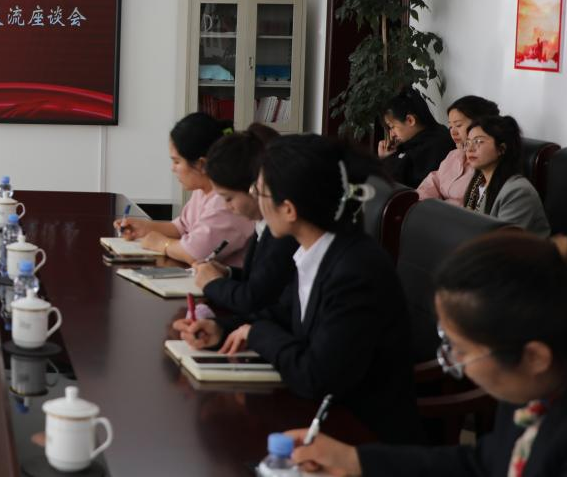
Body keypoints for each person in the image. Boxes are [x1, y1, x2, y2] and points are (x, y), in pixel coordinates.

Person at [173, 135, 422, 444]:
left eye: (259, 191)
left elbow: (315, 376)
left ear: (289, 209)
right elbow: (284, 312)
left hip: (362, 437)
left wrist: (256, 333)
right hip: (324, 418)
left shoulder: (355, 270)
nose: (253, 196)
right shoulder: (320, 249)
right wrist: (222, 329)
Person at [287, 232, 567, 476]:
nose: (452, 363)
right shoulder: (530, 389)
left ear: (535, 358)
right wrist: (355, 460)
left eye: (461, 350)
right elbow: (482, 463)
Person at [115, 113, 253, 266]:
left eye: (177, 161)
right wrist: (145, 228)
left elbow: (195, 253)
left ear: (201, 165)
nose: (173, 169)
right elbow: (181, 227)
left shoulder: (226, 201)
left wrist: (163, 244)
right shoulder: (202, 191)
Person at [190, 124, 299, 317]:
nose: (226, 207)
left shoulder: (282, 233)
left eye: (229, 198)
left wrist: (213, 283)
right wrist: (228, 273)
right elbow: (262, 283)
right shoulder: (263, 225)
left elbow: (253, 300)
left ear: (255, 188)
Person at [461, 115, 550, 236]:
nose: (470, 149)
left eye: (478, 141)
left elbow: (503, 242)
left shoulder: (518, 191)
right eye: (467, 142)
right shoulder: (478, 181)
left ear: (502, 149)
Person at [416, 96, 500, 207]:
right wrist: (419, 204)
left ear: (479, 124)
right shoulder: (454, 155)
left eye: (458, 125)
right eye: (450, 126)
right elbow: (434, 181)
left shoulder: (488, 163)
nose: (453, 132)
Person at [377, 88, 455, 188]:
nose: (391, 134)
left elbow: (394, 185)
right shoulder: (430, 136)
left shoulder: (434, 147)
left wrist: (386, 159)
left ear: (410, 120)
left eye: (392, 127)